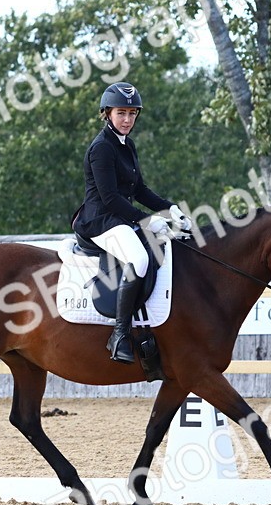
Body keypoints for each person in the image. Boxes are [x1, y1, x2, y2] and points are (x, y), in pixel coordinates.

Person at [72, 82, 192, 363]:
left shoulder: (127, 144)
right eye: (121, 113)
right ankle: (120, 334)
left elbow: (138, 190)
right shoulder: (101, 148)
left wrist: (171, 209)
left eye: (132, 114)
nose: (127, 120)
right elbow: (111, 198)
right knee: (138, 259)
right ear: (107, 114)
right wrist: (149, 221)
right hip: (101, 221)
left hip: (120, 218)